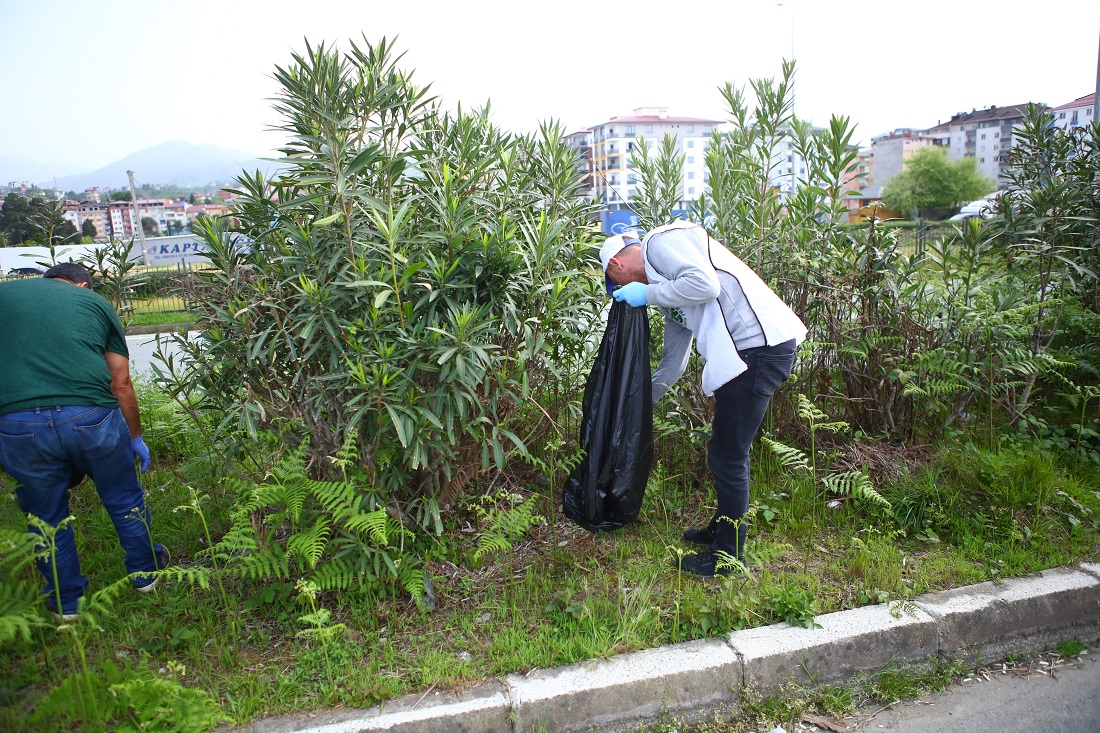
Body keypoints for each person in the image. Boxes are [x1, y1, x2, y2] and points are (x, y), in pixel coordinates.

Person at [601, 220, 807, 577]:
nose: (619, 291)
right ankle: (723, 529)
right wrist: (637, 404)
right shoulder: (668, 291)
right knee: (724, 450)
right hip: (750, 353)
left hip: (758, 348)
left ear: (617, 266)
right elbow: (673, 363)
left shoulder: (658, 244)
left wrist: (646, 295)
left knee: (728, 456)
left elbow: (706, 284)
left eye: (614, 284)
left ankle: (728, 557)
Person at [0, 263, 168, 620]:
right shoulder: (92, 302)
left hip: (17, 422)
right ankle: (145, 574)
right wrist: (135, 437)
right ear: (83, 285)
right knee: (123, 497)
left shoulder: (6, 296)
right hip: (90, 417)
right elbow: (120, 382)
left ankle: (66, 604)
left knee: (45, 516)